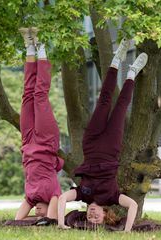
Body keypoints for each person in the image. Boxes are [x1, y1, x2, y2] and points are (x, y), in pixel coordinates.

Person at [57, 39, 148, 232]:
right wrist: (127, 230)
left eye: (89, 217)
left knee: (103, 101)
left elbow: (62, 198)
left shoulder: (82, 194)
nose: (92, 215)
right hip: (110, 147)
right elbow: (133, 205)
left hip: (90, 143)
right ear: (105, 213)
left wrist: (60, 223)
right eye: (97, 218)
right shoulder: (112, 197)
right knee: (121, 108)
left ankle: (116, 60)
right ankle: (132, 72)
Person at [15, 27, 64, 221]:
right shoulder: (54, 194)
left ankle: (29, 46)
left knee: (27, 95)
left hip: (27, 141)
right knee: (40, 95)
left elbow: (17, 220)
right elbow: (50, 219)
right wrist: (46, 221)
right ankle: (41, 46)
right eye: (38, 213)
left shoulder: (31, 197)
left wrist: (26, 221)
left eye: (35, 213)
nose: (37, 212)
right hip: (45, 141)